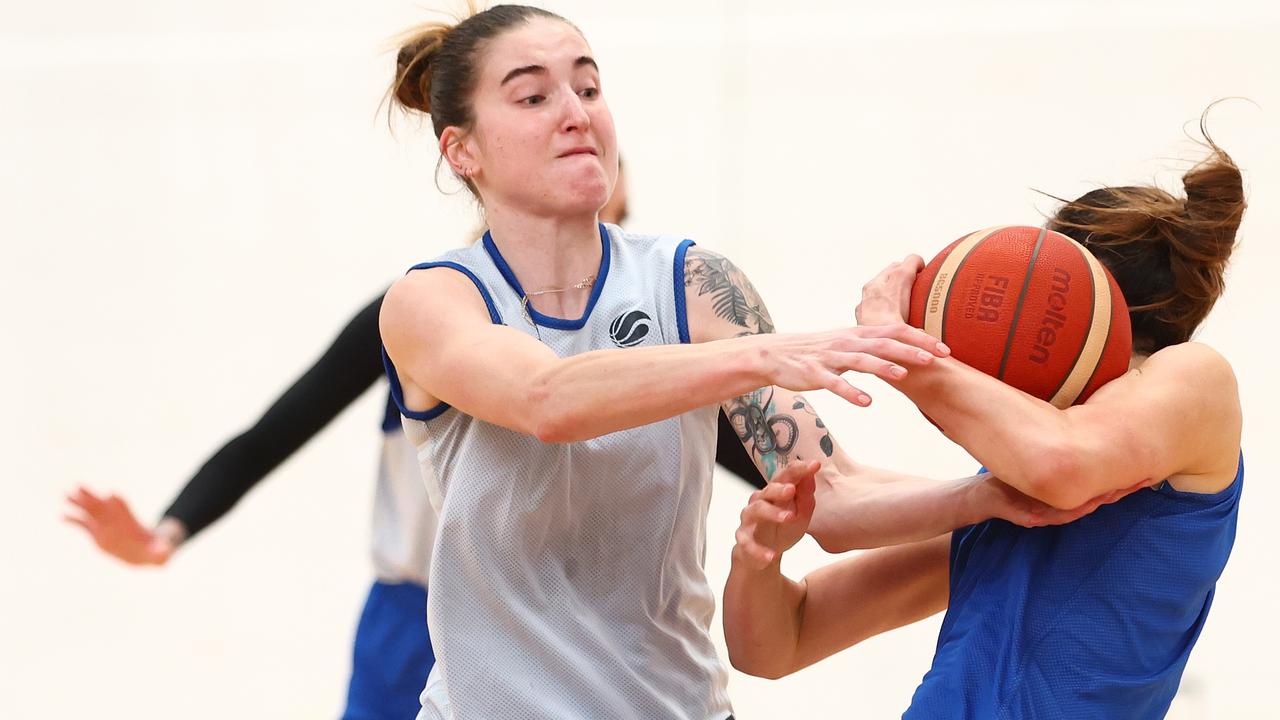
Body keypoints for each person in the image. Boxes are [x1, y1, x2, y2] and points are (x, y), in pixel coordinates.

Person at [377, 5, 1087, 718]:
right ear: (461, 150)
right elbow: (546, 400)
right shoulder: (433, 300)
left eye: (589, 89)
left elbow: (834, 499)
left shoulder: (691, 284)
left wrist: (989, 496)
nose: (576, 113)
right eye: (534, 96)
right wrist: (763, 354)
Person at [60, 158, 766, 720]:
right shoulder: (420, 311)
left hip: (584, 624)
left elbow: (777, 466)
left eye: (615, 218)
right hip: (413, 621)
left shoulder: (658, 331)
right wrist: (171, 530)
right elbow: (271, 434)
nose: (594, 239)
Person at [724, 119, 1244, 719]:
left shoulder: (1195, 379)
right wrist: (756, 560)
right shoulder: (1009, 496)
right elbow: (779, 641)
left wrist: (897, 348)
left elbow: (1062, 463)